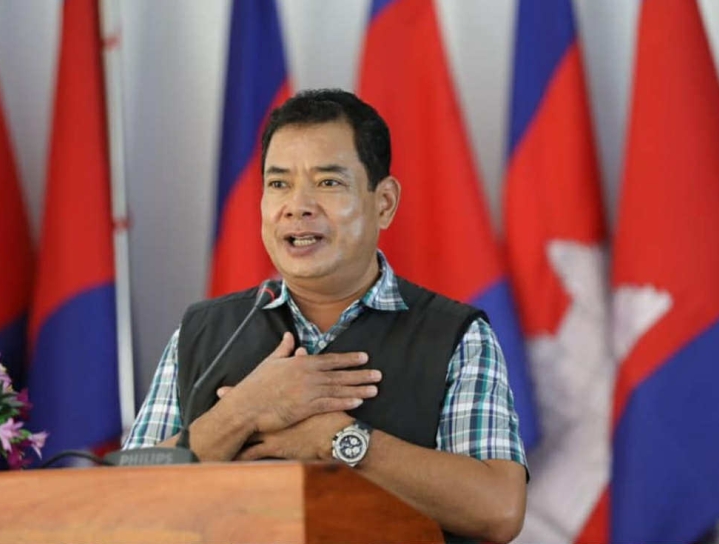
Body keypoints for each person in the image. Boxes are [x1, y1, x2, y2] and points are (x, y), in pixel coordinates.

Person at [124, 88, 528, 543]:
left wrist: (336, 438)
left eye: (328, 182)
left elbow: (498, 509)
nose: (297, 205)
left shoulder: (455, 335)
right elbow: (116, 499)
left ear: (384, 202)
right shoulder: (202, 332)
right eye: (279, 184)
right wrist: (241, 412)